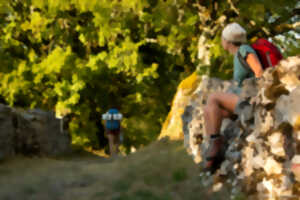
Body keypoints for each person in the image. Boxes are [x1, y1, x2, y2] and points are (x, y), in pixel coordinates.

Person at [203, 23, 264, 172]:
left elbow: (259, 71)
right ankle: (215, 151)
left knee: (213, 98)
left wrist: (258, 97)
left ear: (228, 41)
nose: (221, 41)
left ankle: (215, 144)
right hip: (241, 100)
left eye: (222, 38)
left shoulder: (244, 50)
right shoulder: (237, 54)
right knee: (209, 111)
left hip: (249, 101)